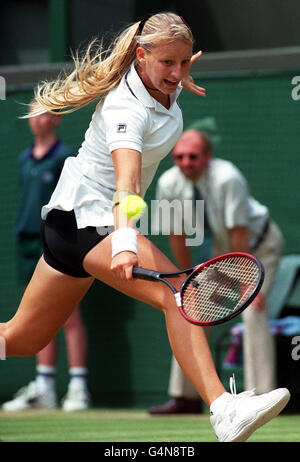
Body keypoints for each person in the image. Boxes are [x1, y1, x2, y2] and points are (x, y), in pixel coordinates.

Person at [0, 13, 289, 441]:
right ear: (141, 56)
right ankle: (224, 410)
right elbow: (128, 182)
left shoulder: (164, 91)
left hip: (70, 224)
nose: (177, 72)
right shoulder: (125, 108)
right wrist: (123, 244)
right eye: (167, 63)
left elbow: (165, 87)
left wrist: (170, 84)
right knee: (179, 296)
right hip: (89, 221)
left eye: (185, 63)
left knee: (20, 339)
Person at [149, 129, 284, 415]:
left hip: (258, 249)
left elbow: (239, 232)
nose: (186, 162)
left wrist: (247, 284)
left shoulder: (227, 177)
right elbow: (178, 235)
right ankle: (184, 397)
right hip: (220, 256)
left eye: (193, 156)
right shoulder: (168, 183)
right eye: (179, 157)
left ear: (207, 157)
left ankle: (262, 395)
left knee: (252, 310)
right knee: (189, 310)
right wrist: (184, 279)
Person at [2, 104, 90, 411]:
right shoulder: (23, 158)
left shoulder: (66, 157)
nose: (37, 120)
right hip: (27, 241)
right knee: (36, 317)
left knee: (69, 317)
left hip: (59, 241)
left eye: (44, 113)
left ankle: (78, 386)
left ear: (56, 119)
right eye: (33, 114)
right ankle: (45, 387)